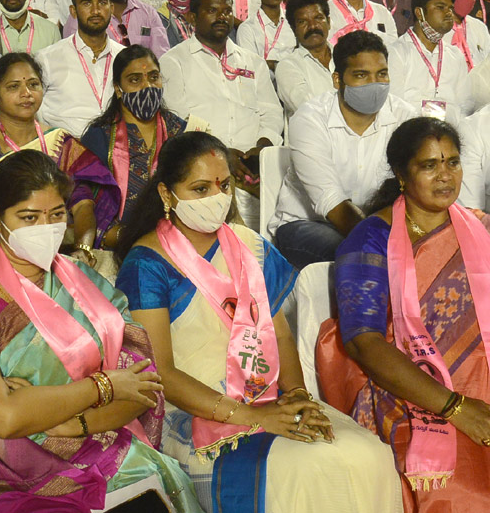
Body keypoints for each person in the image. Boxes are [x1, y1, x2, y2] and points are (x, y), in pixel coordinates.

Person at [116, 131, 403, 513]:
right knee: (306, 468)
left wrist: (298, 396)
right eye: (200, 189)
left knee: (368, 455)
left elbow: (280, 335)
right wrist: (254, 417)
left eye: (224, 185)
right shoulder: (146, 263)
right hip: (193, 411)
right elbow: (162, 373)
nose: (216, 198)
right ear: (168, 195)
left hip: (268, 394)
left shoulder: (248, 243)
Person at [0, 150, 197, 512]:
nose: (46, 228)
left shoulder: (82, 280)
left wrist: (65, 420)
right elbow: (3, 416)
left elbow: (142, 386)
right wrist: (103, 386)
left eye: (57, 215)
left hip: (111, 453)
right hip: (12, 478)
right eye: (29, 217)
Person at [328, 117, 490, 510]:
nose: (445, 175)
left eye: (452, 162)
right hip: (409, 391)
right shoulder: (370, 238)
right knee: (465, 490)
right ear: (402, 173)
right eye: (429, 165)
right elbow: (364, 344)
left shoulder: (480, 228)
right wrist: (456, 407)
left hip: (481, 380)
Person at [0, 52, 117, 271]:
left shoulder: (60, 141)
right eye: (13, 87)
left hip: (53, 238)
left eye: (33, 84)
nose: (26, 94)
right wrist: (21, 256)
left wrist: (83, 249)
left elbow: (83, 204)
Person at [273, 32, 415, 269]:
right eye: (362, 75)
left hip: (378, 224)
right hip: (308, 224)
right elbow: (332, 202)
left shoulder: (405, 117)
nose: (375, 84)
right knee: (360, 253)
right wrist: (385, 245)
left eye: (382, 74)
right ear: (338, 80)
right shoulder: (310, 119)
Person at [161, 0, 282, 224]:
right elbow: (178, 120)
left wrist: (262, 147)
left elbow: (272, 112)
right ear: (193, 17)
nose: (222, 17)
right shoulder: (174, 61)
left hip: (256, 164)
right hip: (205, 163)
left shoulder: (252, 61)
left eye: (227, 11)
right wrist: (222, 154)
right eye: (213, 11)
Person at [82, 45, 203, 249]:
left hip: (178, 241)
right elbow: (87, 200)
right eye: (135, 80)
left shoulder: (180, 131)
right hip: (117, 241)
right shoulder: (99, 136)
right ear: (118, 89)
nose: (147, 86)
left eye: (153, 77)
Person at [36, 0, 127, 136]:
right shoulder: (47, 59)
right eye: (87, 3)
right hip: (65, 153)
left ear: (112, 8)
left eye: (102, 2)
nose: (96, 11)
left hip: (117, 150)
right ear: (73, 11)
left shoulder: (125, 57)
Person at [388, 0, 473, 122]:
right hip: (411, 134)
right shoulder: (397, 51)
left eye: (451, 8)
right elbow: (396, 105)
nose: (448, 13)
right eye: (440, 7)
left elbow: (465, 105)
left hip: (448, 135)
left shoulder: (455, 54)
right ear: (419, 13)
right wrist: (445, 112)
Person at [275, 0, 336, 117]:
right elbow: (308, 109)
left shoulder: (348, 57)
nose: (313, 26)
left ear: (329, 22)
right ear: (293, 29)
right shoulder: (288, 66)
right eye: (303, 22)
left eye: (318, 18)